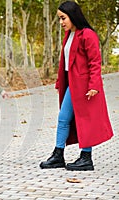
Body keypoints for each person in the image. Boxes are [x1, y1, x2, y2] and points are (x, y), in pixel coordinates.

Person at [40, 1, 113, 171]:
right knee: (64, 118)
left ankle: (86, 158)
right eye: (59, 19)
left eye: (63, 18)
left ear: (73, 15)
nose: (61, 22)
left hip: (85, 86)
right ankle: (58, 155)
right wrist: (60, 81)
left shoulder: (87, 34)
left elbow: (95, 62)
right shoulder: (69, 35)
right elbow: (66, 61)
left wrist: (94, 85)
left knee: (84, 119)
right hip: (72, 84)